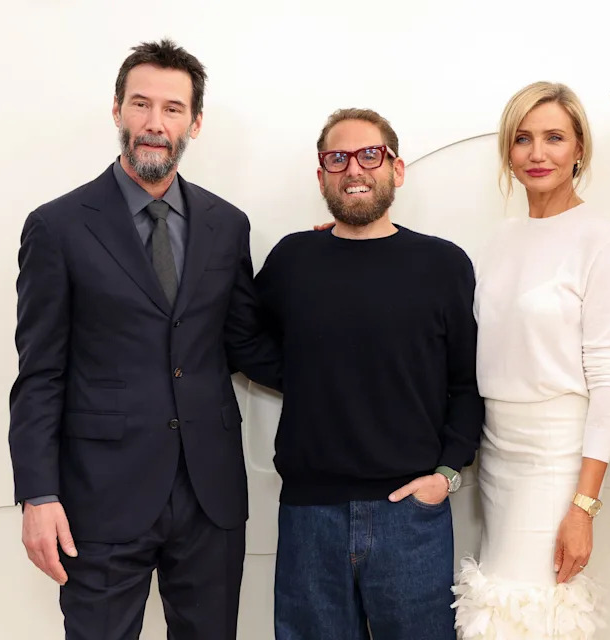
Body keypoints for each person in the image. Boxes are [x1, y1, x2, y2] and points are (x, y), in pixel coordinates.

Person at [9, 39, 280, 640]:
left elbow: (246, 343)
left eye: (173, 108)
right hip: (99, 498)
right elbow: (40, 373)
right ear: (117, 111)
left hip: (210, 498)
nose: (156, 123)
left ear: (195, 122)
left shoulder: (227, 224)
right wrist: (36, 494)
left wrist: (338, 268)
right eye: (141, 105)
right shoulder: (57, 226)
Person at [255, 108, 484, 640]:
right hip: (310, 515)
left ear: (396, 170)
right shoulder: (294, 259)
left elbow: (468, 384)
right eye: (337, 158)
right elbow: (239, 335)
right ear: (321, 175)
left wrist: (448, 474)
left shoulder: (443, 264)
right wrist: (309, 373)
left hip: (411, 514)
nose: (353, 168)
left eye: (369, 155)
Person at [451, 82, 610, 639]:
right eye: (523, 139)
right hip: (495, 450)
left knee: (529, 609)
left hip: (557, 458)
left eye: (554, 137)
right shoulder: (500, 238)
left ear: (579, 147)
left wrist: (583, 506)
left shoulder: (599, 239)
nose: (537, 154)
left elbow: (609, 382)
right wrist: (345, 240)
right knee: (501, 605)